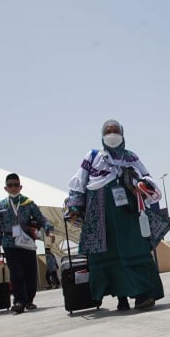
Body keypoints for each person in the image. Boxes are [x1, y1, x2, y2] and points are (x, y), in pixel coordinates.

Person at [67, 119, 164, 311]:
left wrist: (141, 181)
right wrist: (75, 206)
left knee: (133, 249)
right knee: (109, 252)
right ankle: (121, 298)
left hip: (128, 213)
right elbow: (79, 180)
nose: (112, 134)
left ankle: (142, 294)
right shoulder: (93, 156)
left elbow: (147, 176)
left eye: (116, 131)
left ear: (122, 133)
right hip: (101, 213)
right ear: (102, 136)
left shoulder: (131, 157)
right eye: (108, 131)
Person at [0, 173, 55, 313]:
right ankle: (19, 301)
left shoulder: (28, 203)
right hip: (9, 243)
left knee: (30, 272)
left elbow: (41, 219)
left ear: (20, 187)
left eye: (16, 185)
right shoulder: (1, 205)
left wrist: (49, 231)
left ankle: (29, 301)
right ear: (5, 188)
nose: (13, 187)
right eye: (10, 185)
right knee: (16, 273)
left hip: (27, 241)